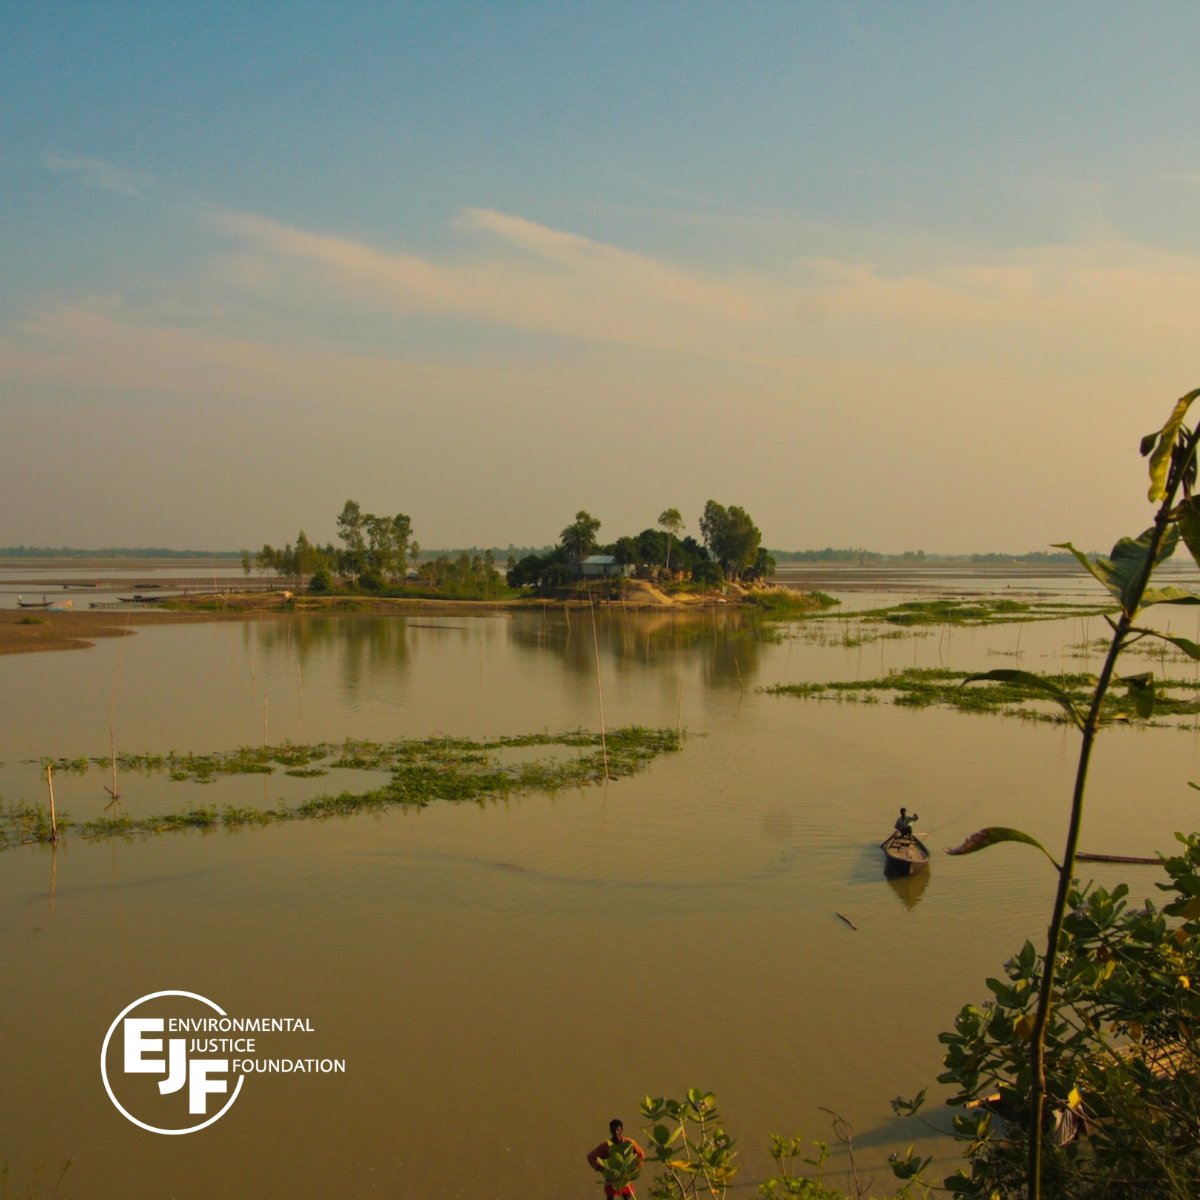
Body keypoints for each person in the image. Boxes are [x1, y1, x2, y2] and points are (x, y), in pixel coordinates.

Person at [587, 1118, 646, 1198]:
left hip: (625, 1177)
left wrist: (633, 1169)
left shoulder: (629, 1143)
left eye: (618, 1130)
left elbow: (641, 1155)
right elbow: (590, 1157)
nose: (616, 1132)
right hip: (612, 1178)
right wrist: (602, 1169)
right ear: (610, 1131)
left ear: (622, 1130)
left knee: (627, 1197)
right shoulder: (606, 1145)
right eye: (613, 1130)